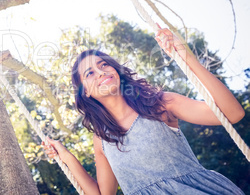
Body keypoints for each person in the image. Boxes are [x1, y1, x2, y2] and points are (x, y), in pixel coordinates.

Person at [42, 26, 245, 195]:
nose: (101, 72)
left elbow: (233, 114)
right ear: (85, 91)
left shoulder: (160, 104)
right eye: (90, 73)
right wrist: (66, 156)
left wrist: (185, 56)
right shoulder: (102, 139)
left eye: (103, 64)